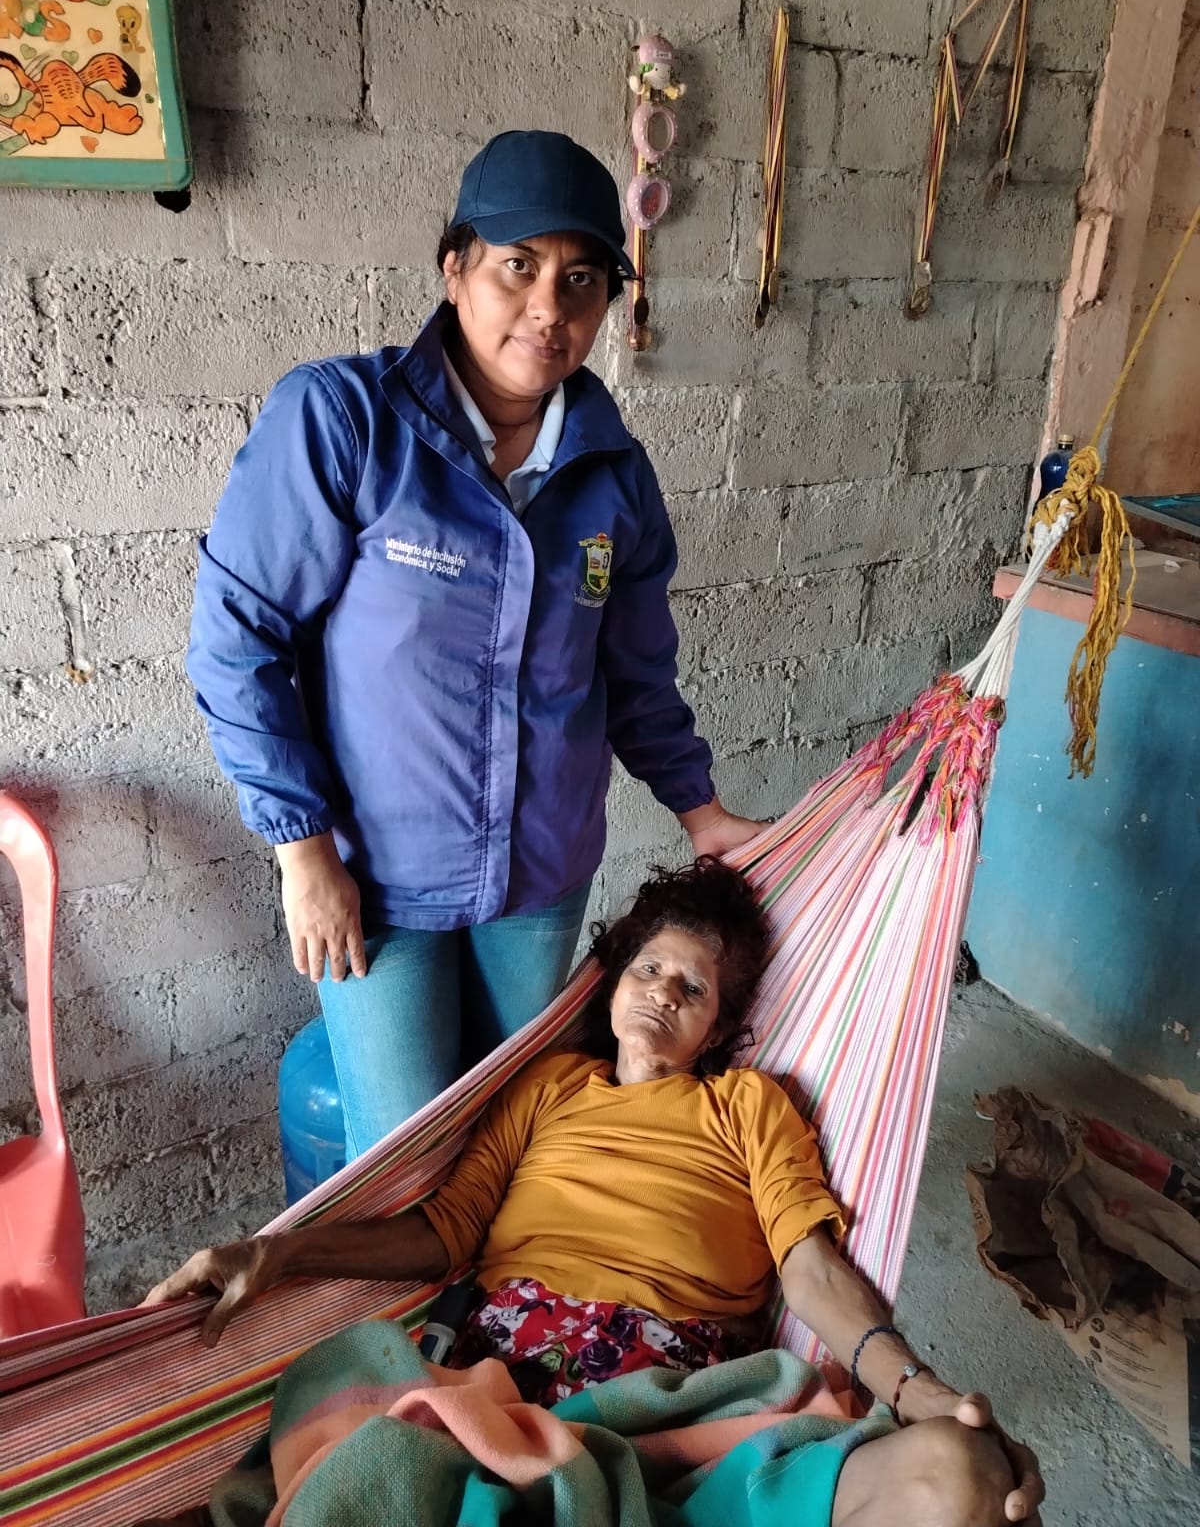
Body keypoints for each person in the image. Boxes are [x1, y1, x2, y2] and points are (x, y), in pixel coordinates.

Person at [147, 859, 1044, 1527]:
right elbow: (445, 1232)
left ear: (717, 1029)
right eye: (648, 969)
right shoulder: (547, 1088)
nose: (663, 994)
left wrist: (916, 1387)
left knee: (967, 1478)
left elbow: (808, 1271)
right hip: (505, 1373)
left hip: (677, 1394)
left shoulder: (749, 1107)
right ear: (613, 983)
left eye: (693, 988)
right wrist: (278, 1252)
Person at [186, 129, 764, 1155]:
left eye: (581, 279)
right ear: (454, 268)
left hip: (540, 877)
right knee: (405, 1158)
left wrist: (700, 808)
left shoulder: (614, 475)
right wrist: (302, 851)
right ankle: (406, 1271)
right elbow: (238, 642)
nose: (549, 308)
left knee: (512, 1133)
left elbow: (635, 672)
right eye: (517, 267)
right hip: (376, 881)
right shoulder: (345, 422)